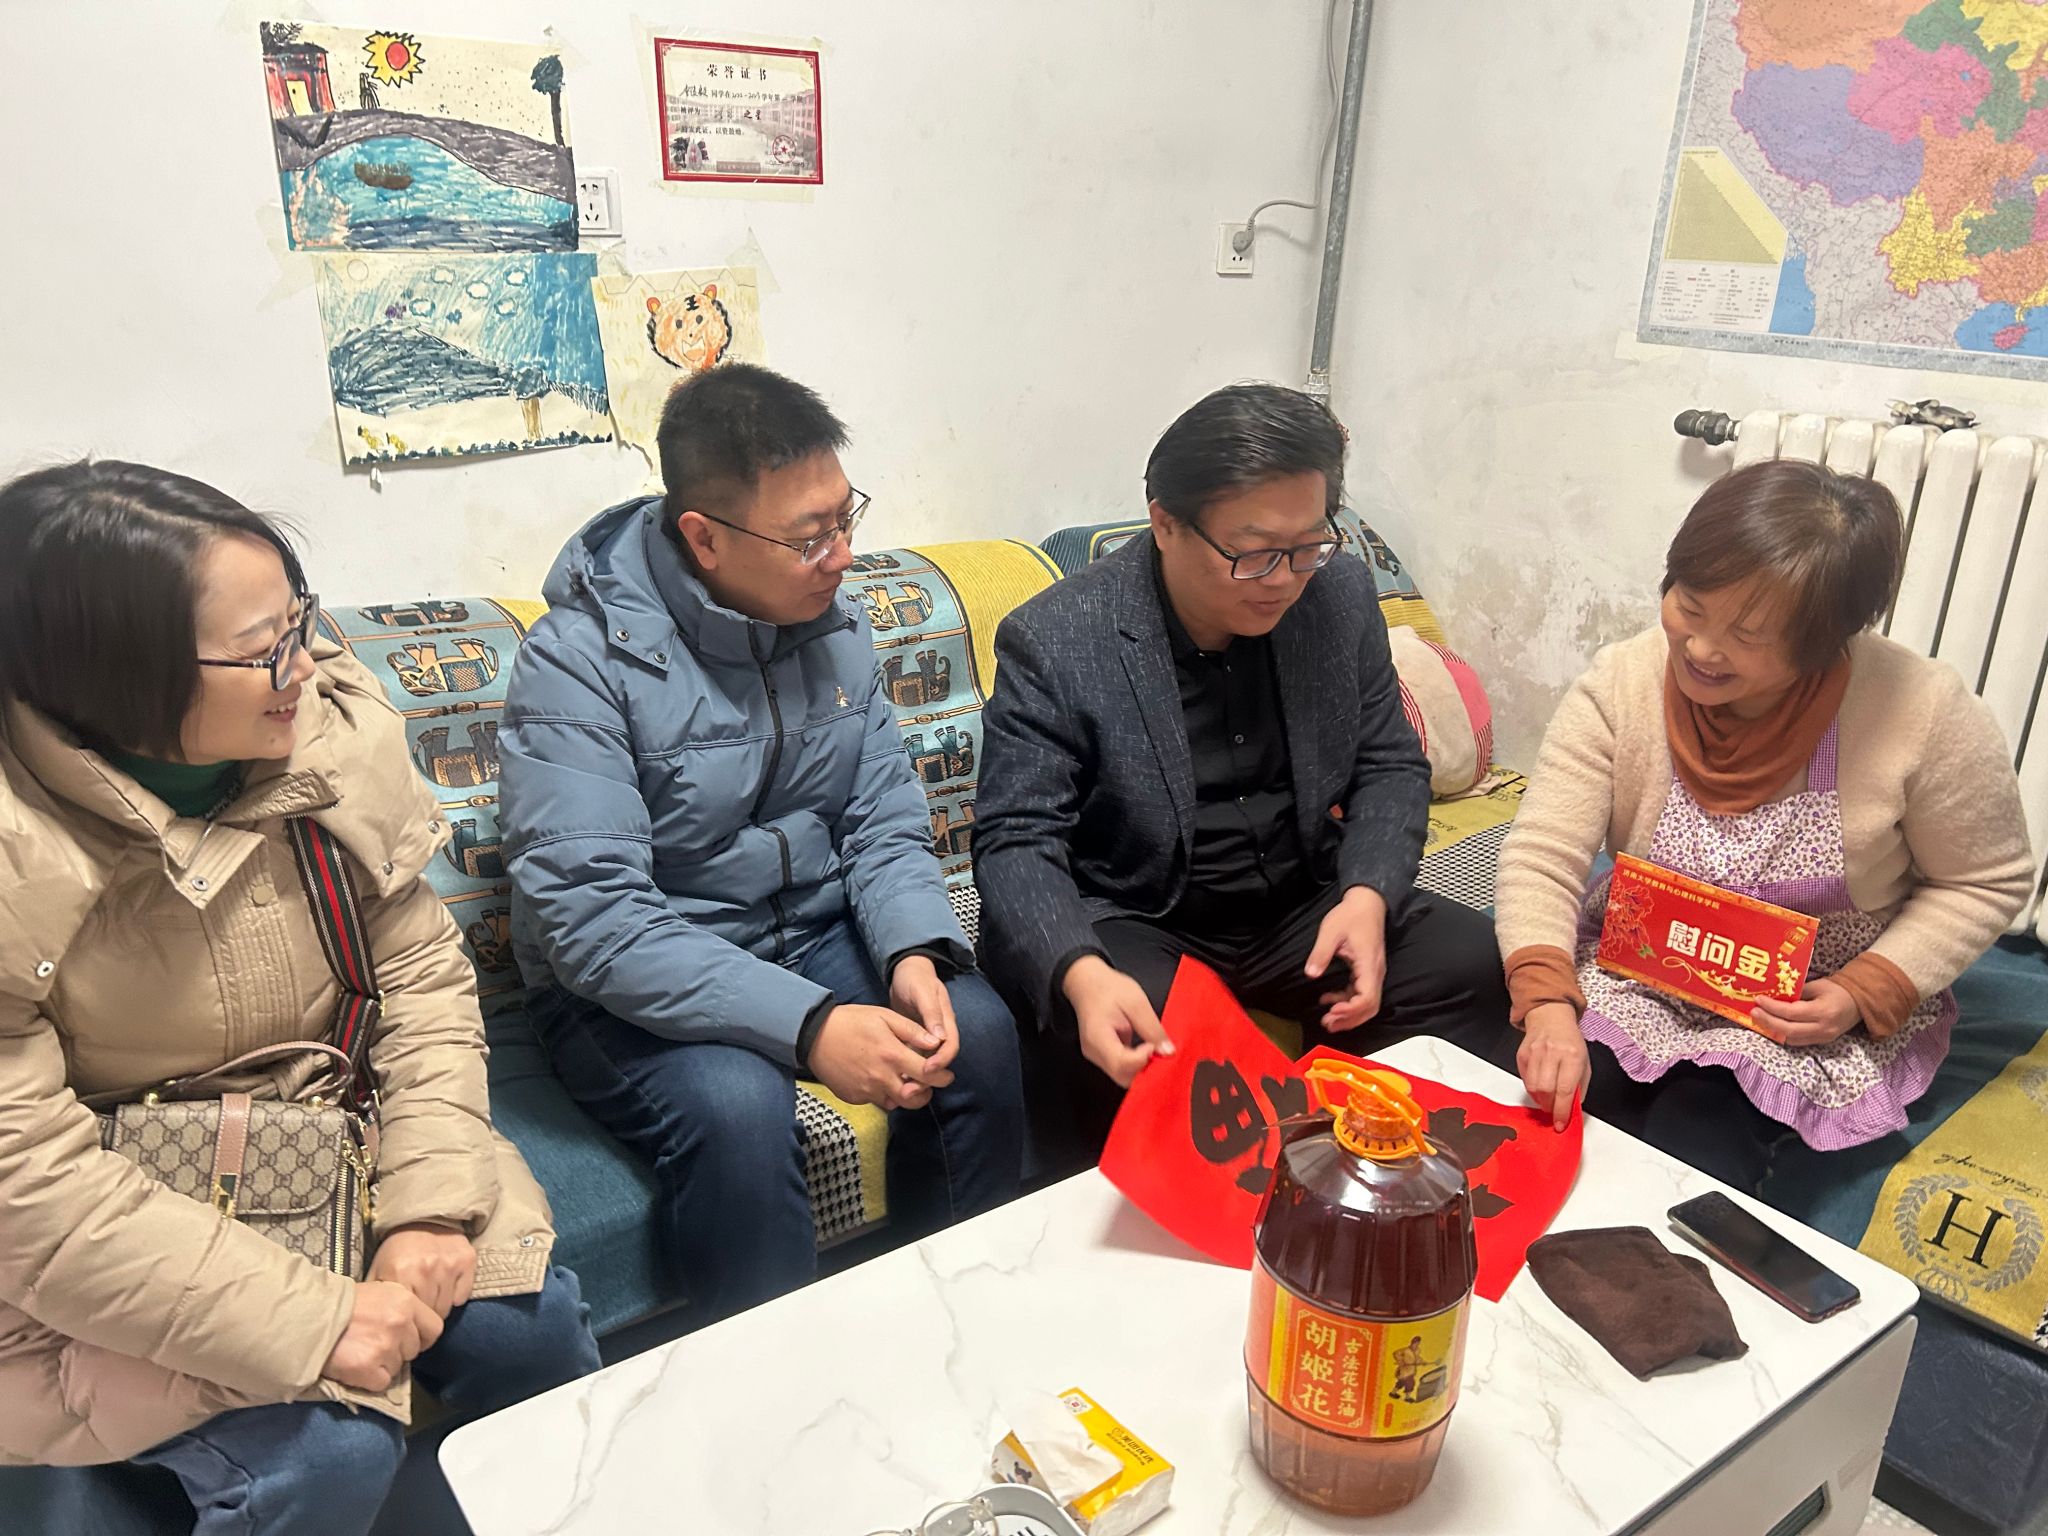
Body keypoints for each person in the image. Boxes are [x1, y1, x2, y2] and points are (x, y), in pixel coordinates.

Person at [0, 461, 599, 1535]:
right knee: (328, 1448)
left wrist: (426, 1206)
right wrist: (316, 1322)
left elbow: (420, 981)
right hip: (108, 1232)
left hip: (338, 1139)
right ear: (115, 675)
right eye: (261, 649)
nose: (302, 668)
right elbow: (27, 1184)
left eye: (298, 623)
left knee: (530, 1333)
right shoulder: (18, 847)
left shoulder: (326, 743)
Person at [500, 364, 1023, 1324]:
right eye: (809, 537)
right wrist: (814, 1026)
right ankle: (772, 1381)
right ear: (703, 537)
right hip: (628, 982)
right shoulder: (576, 666)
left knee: (974, 1033)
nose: (842, 556)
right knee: (740, 1108)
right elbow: (599, 927)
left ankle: (957, 1329)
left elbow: (883, 817)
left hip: (807, 932)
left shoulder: (835, 623)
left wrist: (912, 950)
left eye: (845, 518)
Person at [974, 383, 1517, 1156]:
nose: (1284, 579)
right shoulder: (1059, 637)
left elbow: (1390, 762)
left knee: (1465, 961)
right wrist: (1081, 971)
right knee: (1139, 1018)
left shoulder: (1337, 596)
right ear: (1165, 523)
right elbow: (1015, 837)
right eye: (1254, 552)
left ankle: (1361, 1166)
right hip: (1140, 911)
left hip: (1297, 898)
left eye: (1308, 545)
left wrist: (1367, 894)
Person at [1498, 459, 2033, 1191]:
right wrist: (1547, 1003)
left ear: (1826, 640)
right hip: (1644, 969)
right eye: (1690, 606)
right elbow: (1543, 852)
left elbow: (1986, 879)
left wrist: (1865, 989)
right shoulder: (1621, 683)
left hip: (1800, 1010)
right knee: (1551, 1118)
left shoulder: (1924, 713)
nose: (1701, 649)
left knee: (1693, 1147)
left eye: (1749, 636)